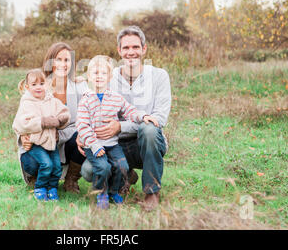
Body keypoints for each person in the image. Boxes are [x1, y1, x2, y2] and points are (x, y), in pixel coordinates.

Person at [78, 26, 172, 211]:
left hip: (146, 143)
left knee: (149, 128)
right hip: (114, 145)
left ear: (144, 49)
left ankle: (151, 192)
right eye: (126, 48)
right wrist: (80, 134)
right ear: (119, 51)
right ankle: (125, 176)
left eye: (135, 47)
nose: (131, 52)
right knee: (89, 170)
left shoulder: (159, 76)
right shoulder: (108, 77)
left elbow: (158, 119)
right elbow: (87, 106)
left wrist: (120, 126)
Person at [19, 42, 88, 193]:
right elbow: (22, 117)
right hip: (39, 139)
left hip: (68, 138)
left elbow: (86, 118)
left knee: (83, 136)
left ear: (72, 63)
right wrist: (23, 135)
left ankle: (71, 180)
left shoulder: (79, 86)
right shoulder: (38, 85)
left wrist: (60, 135)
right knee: (31, 160)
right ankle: (38, 178)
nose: (63, 64)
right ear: (51, 61)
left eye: (67, 60)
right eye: (58, 59)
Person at [12, 69, 71, 201]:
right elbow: (20, 124)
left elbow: (65, 112)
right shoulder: (26, 102)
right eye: (34, 84)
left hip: (51, 142)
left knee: (56, 166)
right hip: (36, 143)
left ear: (47, 85)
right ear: (27, 87)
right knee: (46, 164)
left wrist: (60, 120)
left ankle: (52, 188)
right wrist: (42, 122)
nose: (39, 87)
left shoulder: (51, 100)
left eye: (42, 83)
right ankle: (40, 187)